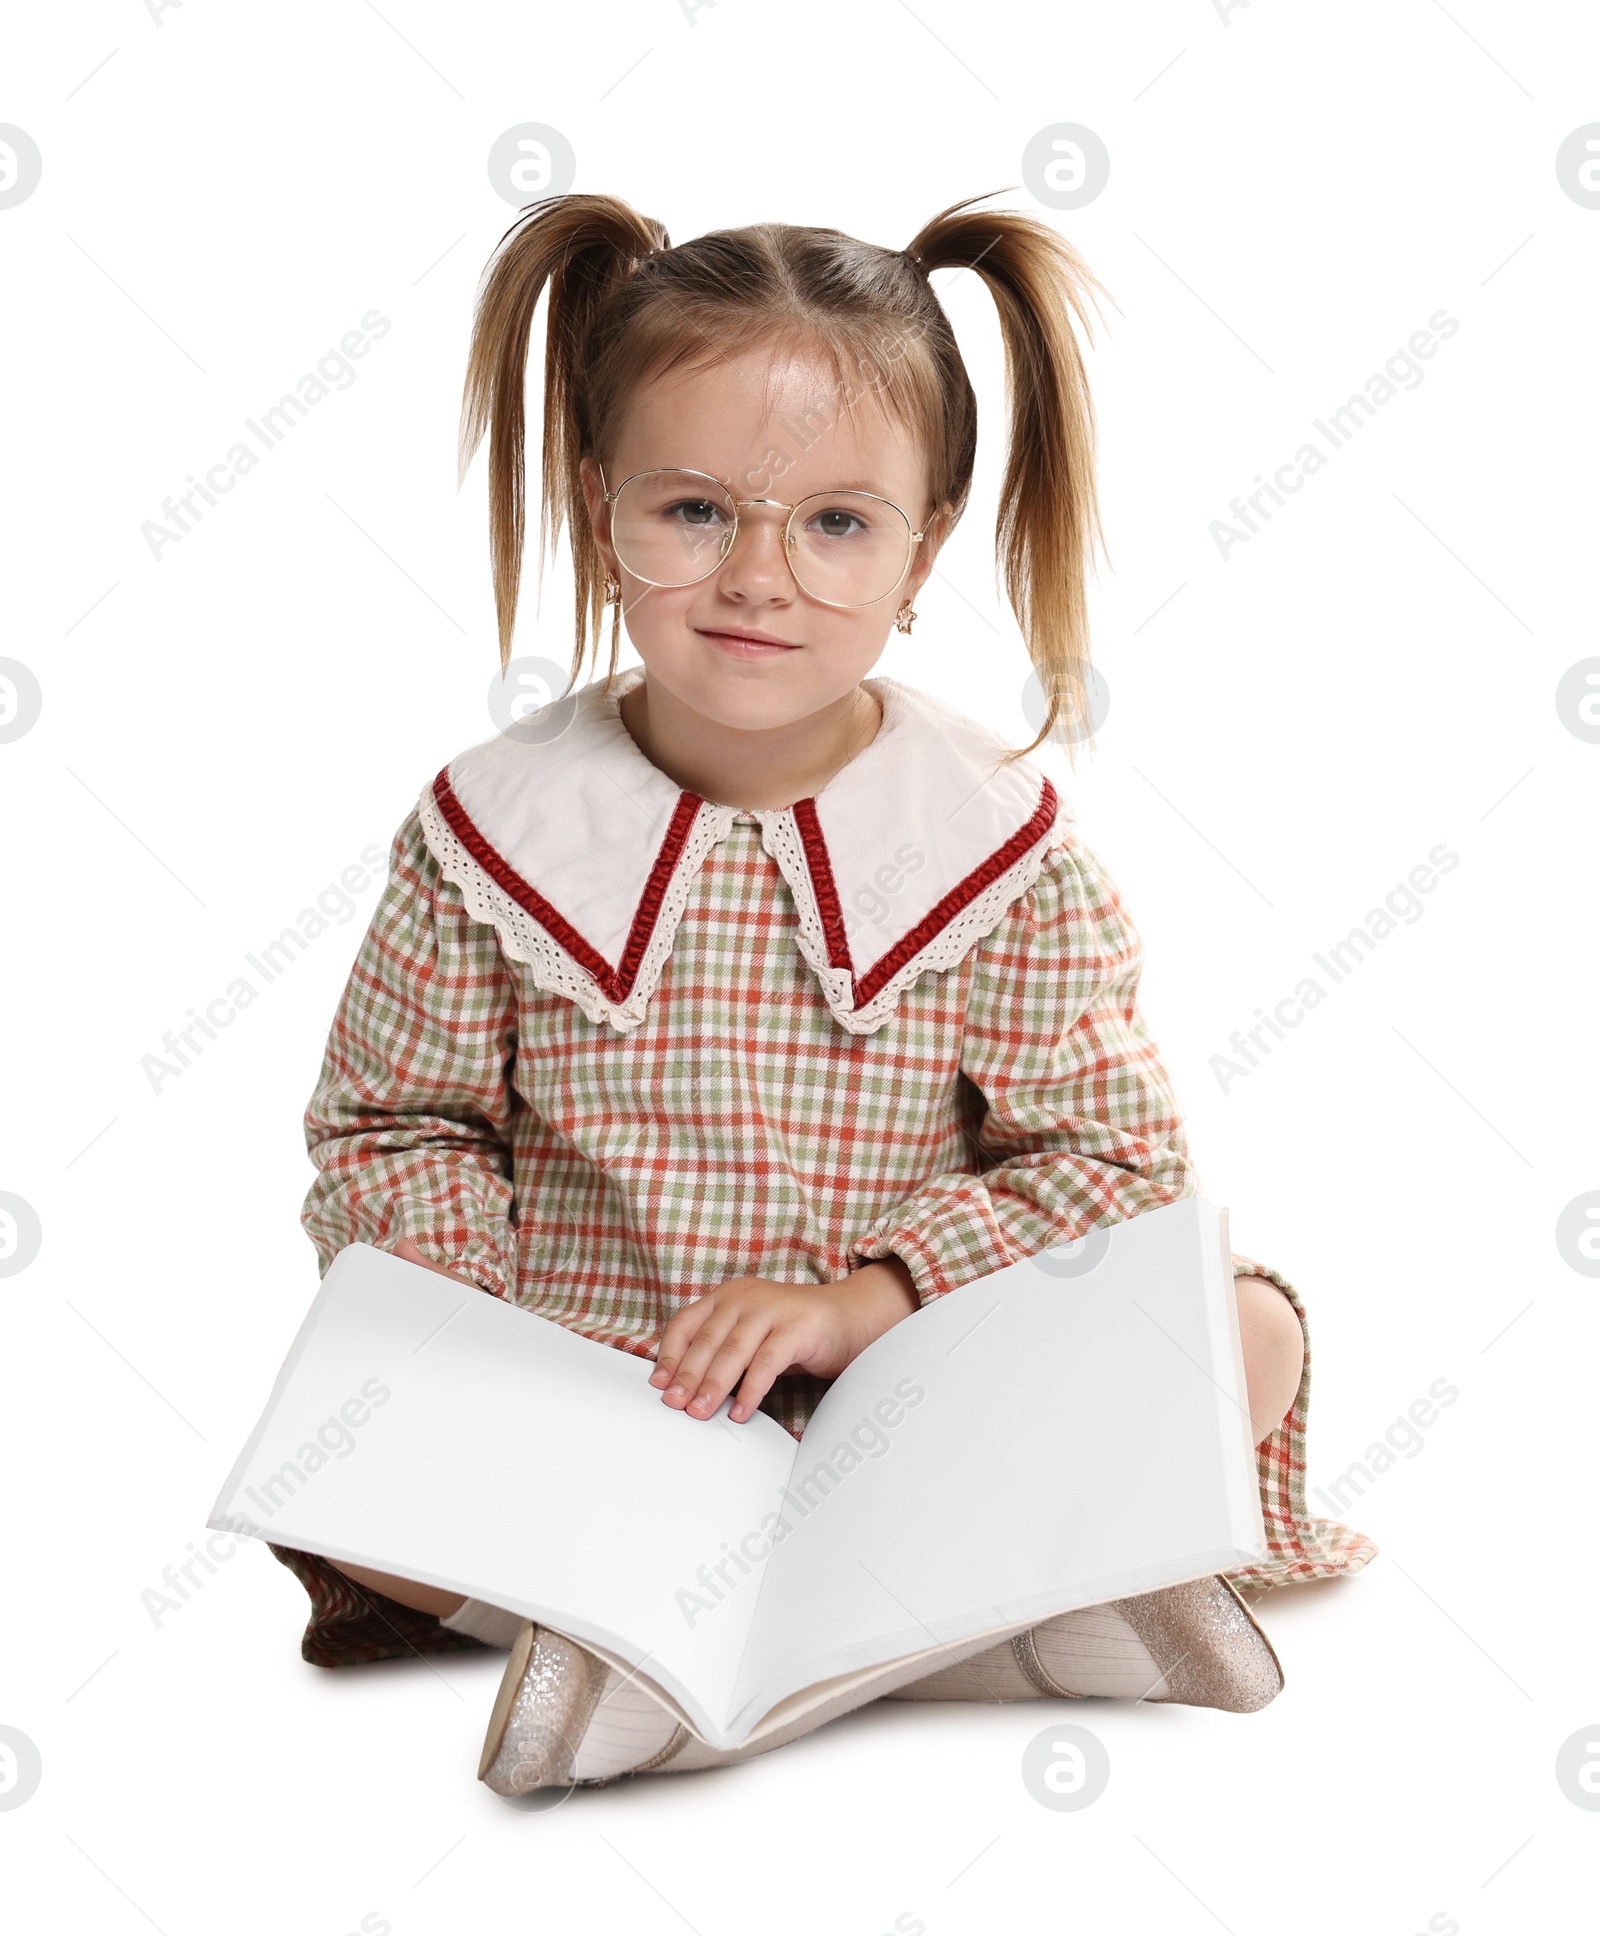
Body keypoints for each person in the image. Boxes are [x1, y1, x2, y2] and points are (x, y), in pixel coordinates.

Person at [268, 191, 1375, 1793]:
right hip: (610, 1421)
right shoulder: (488, 834)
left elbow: (1113, 1169)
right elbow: (392, 1132)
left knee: (1242, 1327)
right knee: (341, 1434)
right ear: (601, 508)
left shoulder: (995, 849)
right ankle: (955, 1638)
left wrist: (867, 1305)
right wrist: (510, 1343)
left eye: (839, 523)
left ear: (926, 549)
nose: (760, 578)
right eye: (696, 510)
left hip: (913, 1425)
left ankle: (694, 1673)